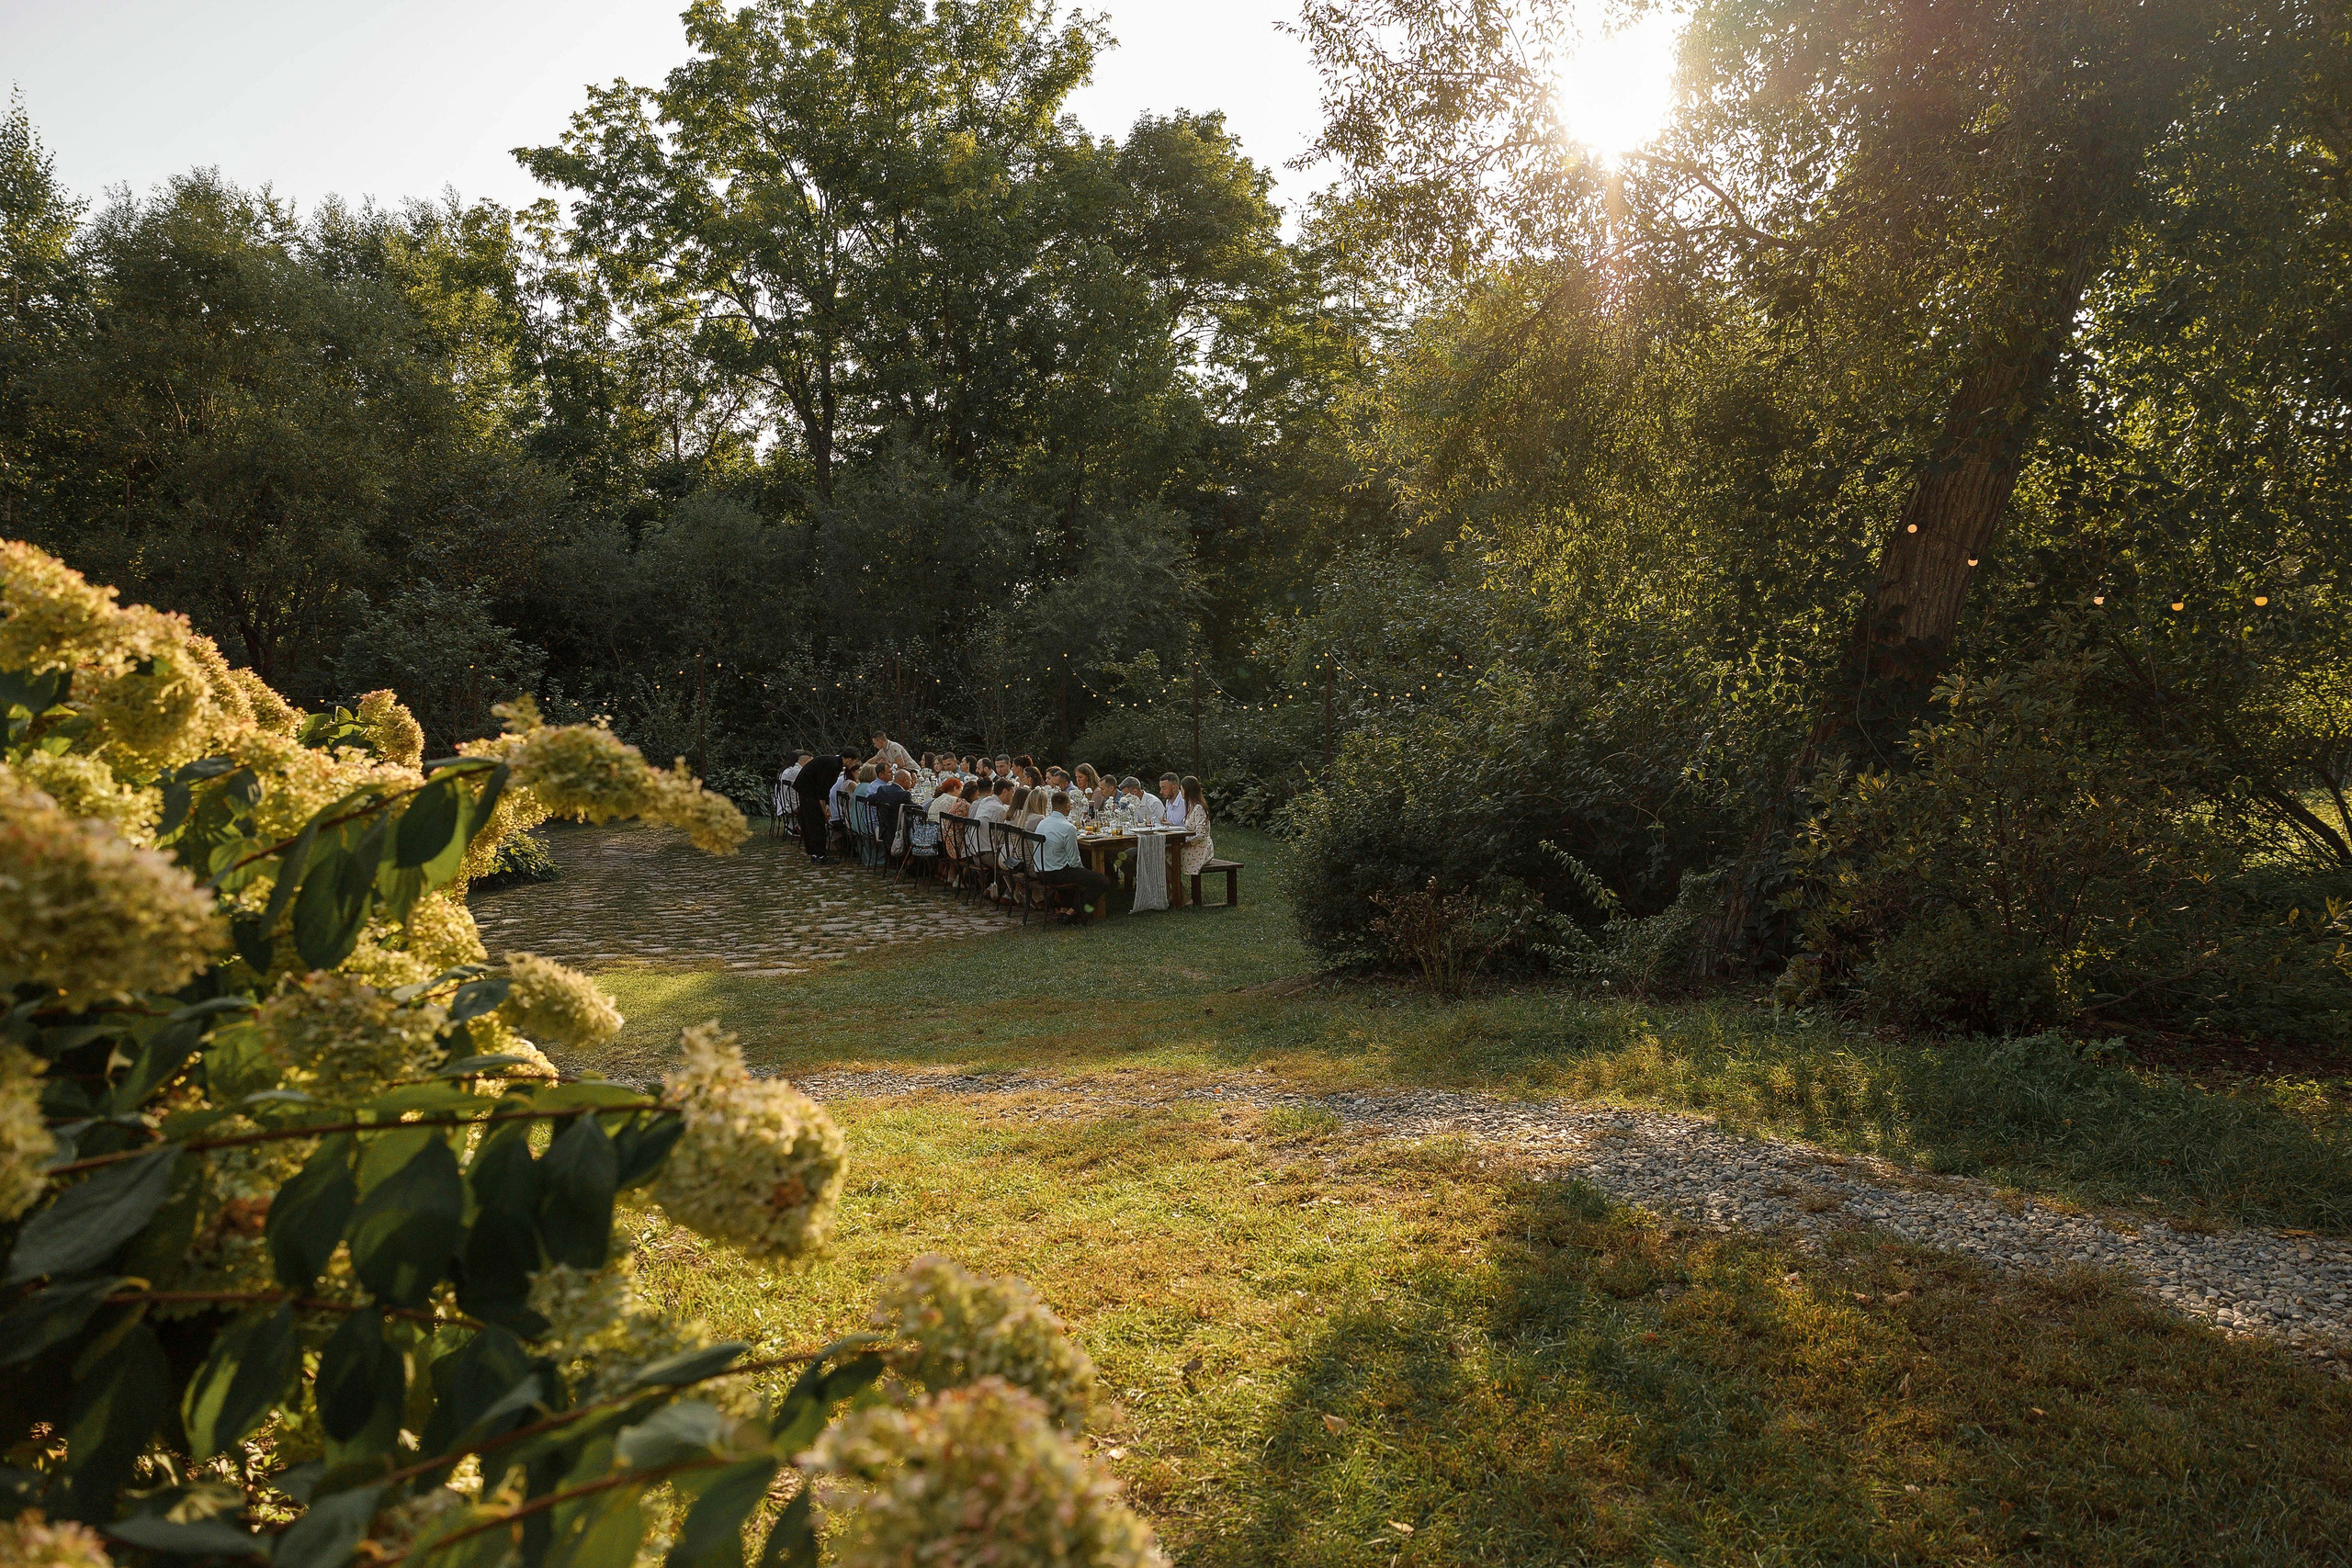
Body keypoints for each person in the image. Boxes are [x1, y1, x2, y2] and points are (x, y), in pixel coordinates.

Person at [1032, 791, 1114, 919]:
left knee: (1075, 870)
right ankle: (1074, 911)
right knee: (1102, 881)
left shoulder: (1043, 823)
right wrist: (1085, 873)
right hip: (1055, 874)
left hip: (1040, 872)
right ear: (1068, 806)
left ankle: (1064, 908)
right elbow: (1074, 861)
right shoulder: (1068, 828)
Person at [791, 749, 846, 861]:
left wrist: (826, 805)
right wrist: (823, 808)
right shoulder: (833, 765)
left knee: (812, 822)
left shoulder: (831, 762)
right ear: (849, 759)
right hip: (809, 792)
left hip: (808, 790)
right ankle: (819, 854)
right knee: (815, 823)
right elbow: (823, 789)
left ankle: (815, 852)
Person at [1171, 773, 1215, 902]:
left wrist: (1183, 845)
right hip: (1191, 845)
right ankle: (1175, 892)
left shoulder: (1199, 808)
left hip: (1200, 848)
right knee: (1164, 855)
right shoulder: (1191, 806)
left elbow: (1200, 835)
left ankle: (1180, 895)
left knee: (1168, 858)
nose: (1180, 791)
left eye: (1181, 789)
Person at [871, 766, 912, 852]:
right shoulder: (904, 795)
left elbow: (870, 798)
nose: (911, 783)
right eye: (911, 780)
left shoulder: (882, 789)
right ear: (905, 780)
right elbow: (915, 809)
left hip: (885, 830)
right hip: (899, 832)